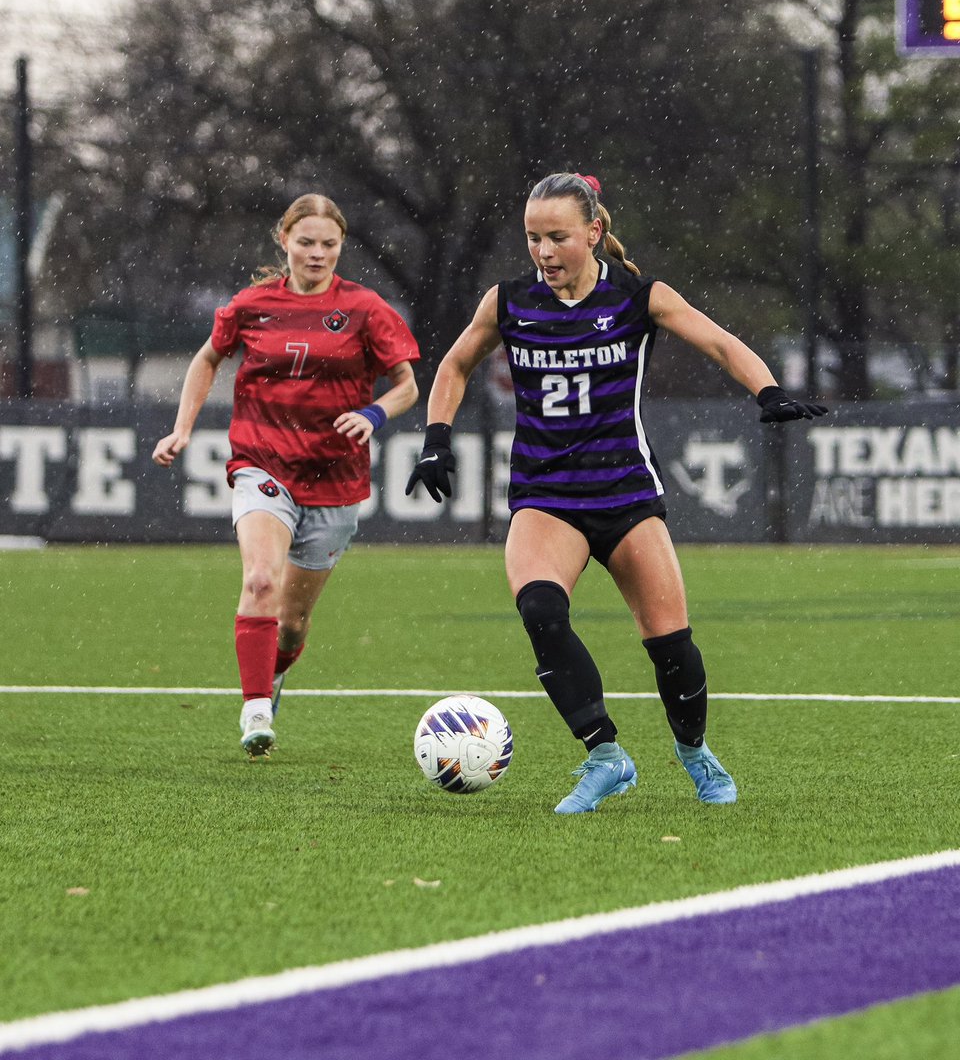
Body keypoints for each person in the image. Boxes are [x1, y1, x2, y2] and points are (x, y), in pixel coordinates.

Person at [406, 172, 826, 814]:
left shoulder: (638, 295)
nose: (543, 253)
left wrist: (767, 391)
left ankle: (694, 752)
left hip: (626, 493)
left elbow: (716, 339)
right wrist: (436, 435)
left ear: (594, 232)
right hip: (546, 494)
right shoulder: (509, 301)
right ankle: (605, 755)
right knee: (542, 614)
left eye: (557, 237)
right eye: (532, 239)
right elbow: (457, 362)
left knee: (670, 646)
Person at [153, 193, 420, 758]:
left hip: (335, 478)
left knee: (293, 622)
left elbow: (406, 386)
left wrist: (374, 413)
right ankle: (254, 708)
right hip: (262, 462)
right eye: (306, 242)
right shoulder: (251, 305)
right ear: (285, 241)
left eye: (328, 244)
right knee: (260, 582)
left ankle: (273, 675)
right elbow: (207, 358)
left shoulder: (367, 309)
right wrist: (182, 428)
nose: (317, 253)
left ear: (340, 245)